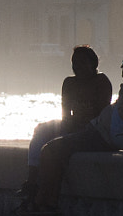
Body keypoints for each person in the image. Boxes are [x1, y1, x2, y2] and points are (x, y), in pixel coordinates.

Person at [24, 47, 123, 213]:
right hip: (105, 133)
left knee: (51, 150)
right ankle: (44, 199)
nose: (122, 67)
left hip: (103, 135)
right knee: (52, 141)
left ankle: (42, 201)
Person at [21, 46, 113, 200]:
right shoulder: (69, 83)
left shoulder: (101, 82)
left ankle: (46, 196)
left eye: (82, 62)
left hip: (92, 130)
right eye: (74, 62)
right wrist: (66, 126)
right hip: (72, 125)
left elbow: (102, 116)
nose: (77, 66)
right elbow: (65, 113)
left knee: (56, 147)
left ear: (93, 64)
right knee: (41, 130)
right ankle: (31, 182)